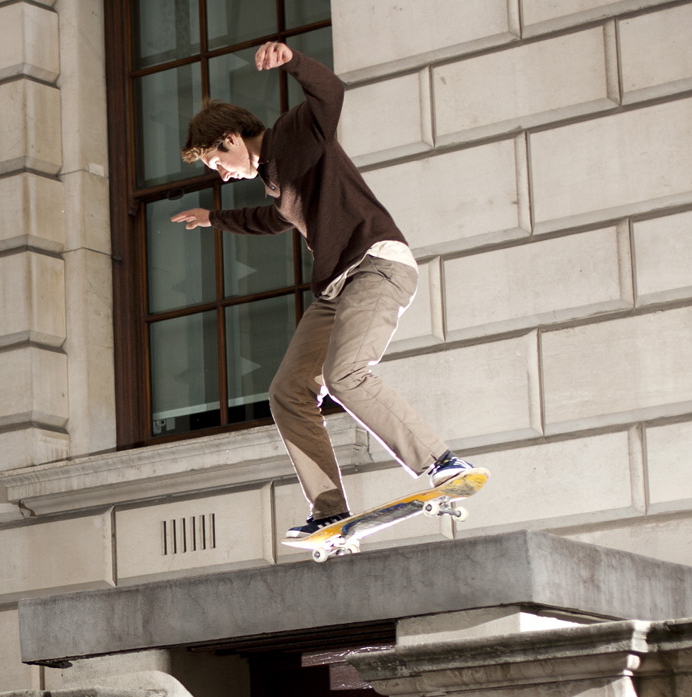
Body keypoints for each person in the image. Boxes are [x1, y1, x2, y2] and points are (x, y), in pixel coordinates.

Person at [173, 41, 481, 541]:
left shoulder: (293, 136)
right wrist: (216, 219)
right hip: (338, 286)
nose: (223, 175)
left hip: (376, 265)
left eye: (216, 164)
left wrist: (293, 62)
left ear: (230, 139)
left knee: (345, 375)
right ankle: (330, 509)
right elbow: (273, 219)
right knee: (287, 391)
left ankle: (441, 462)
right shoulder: (278, 178)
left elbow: (330, 93)